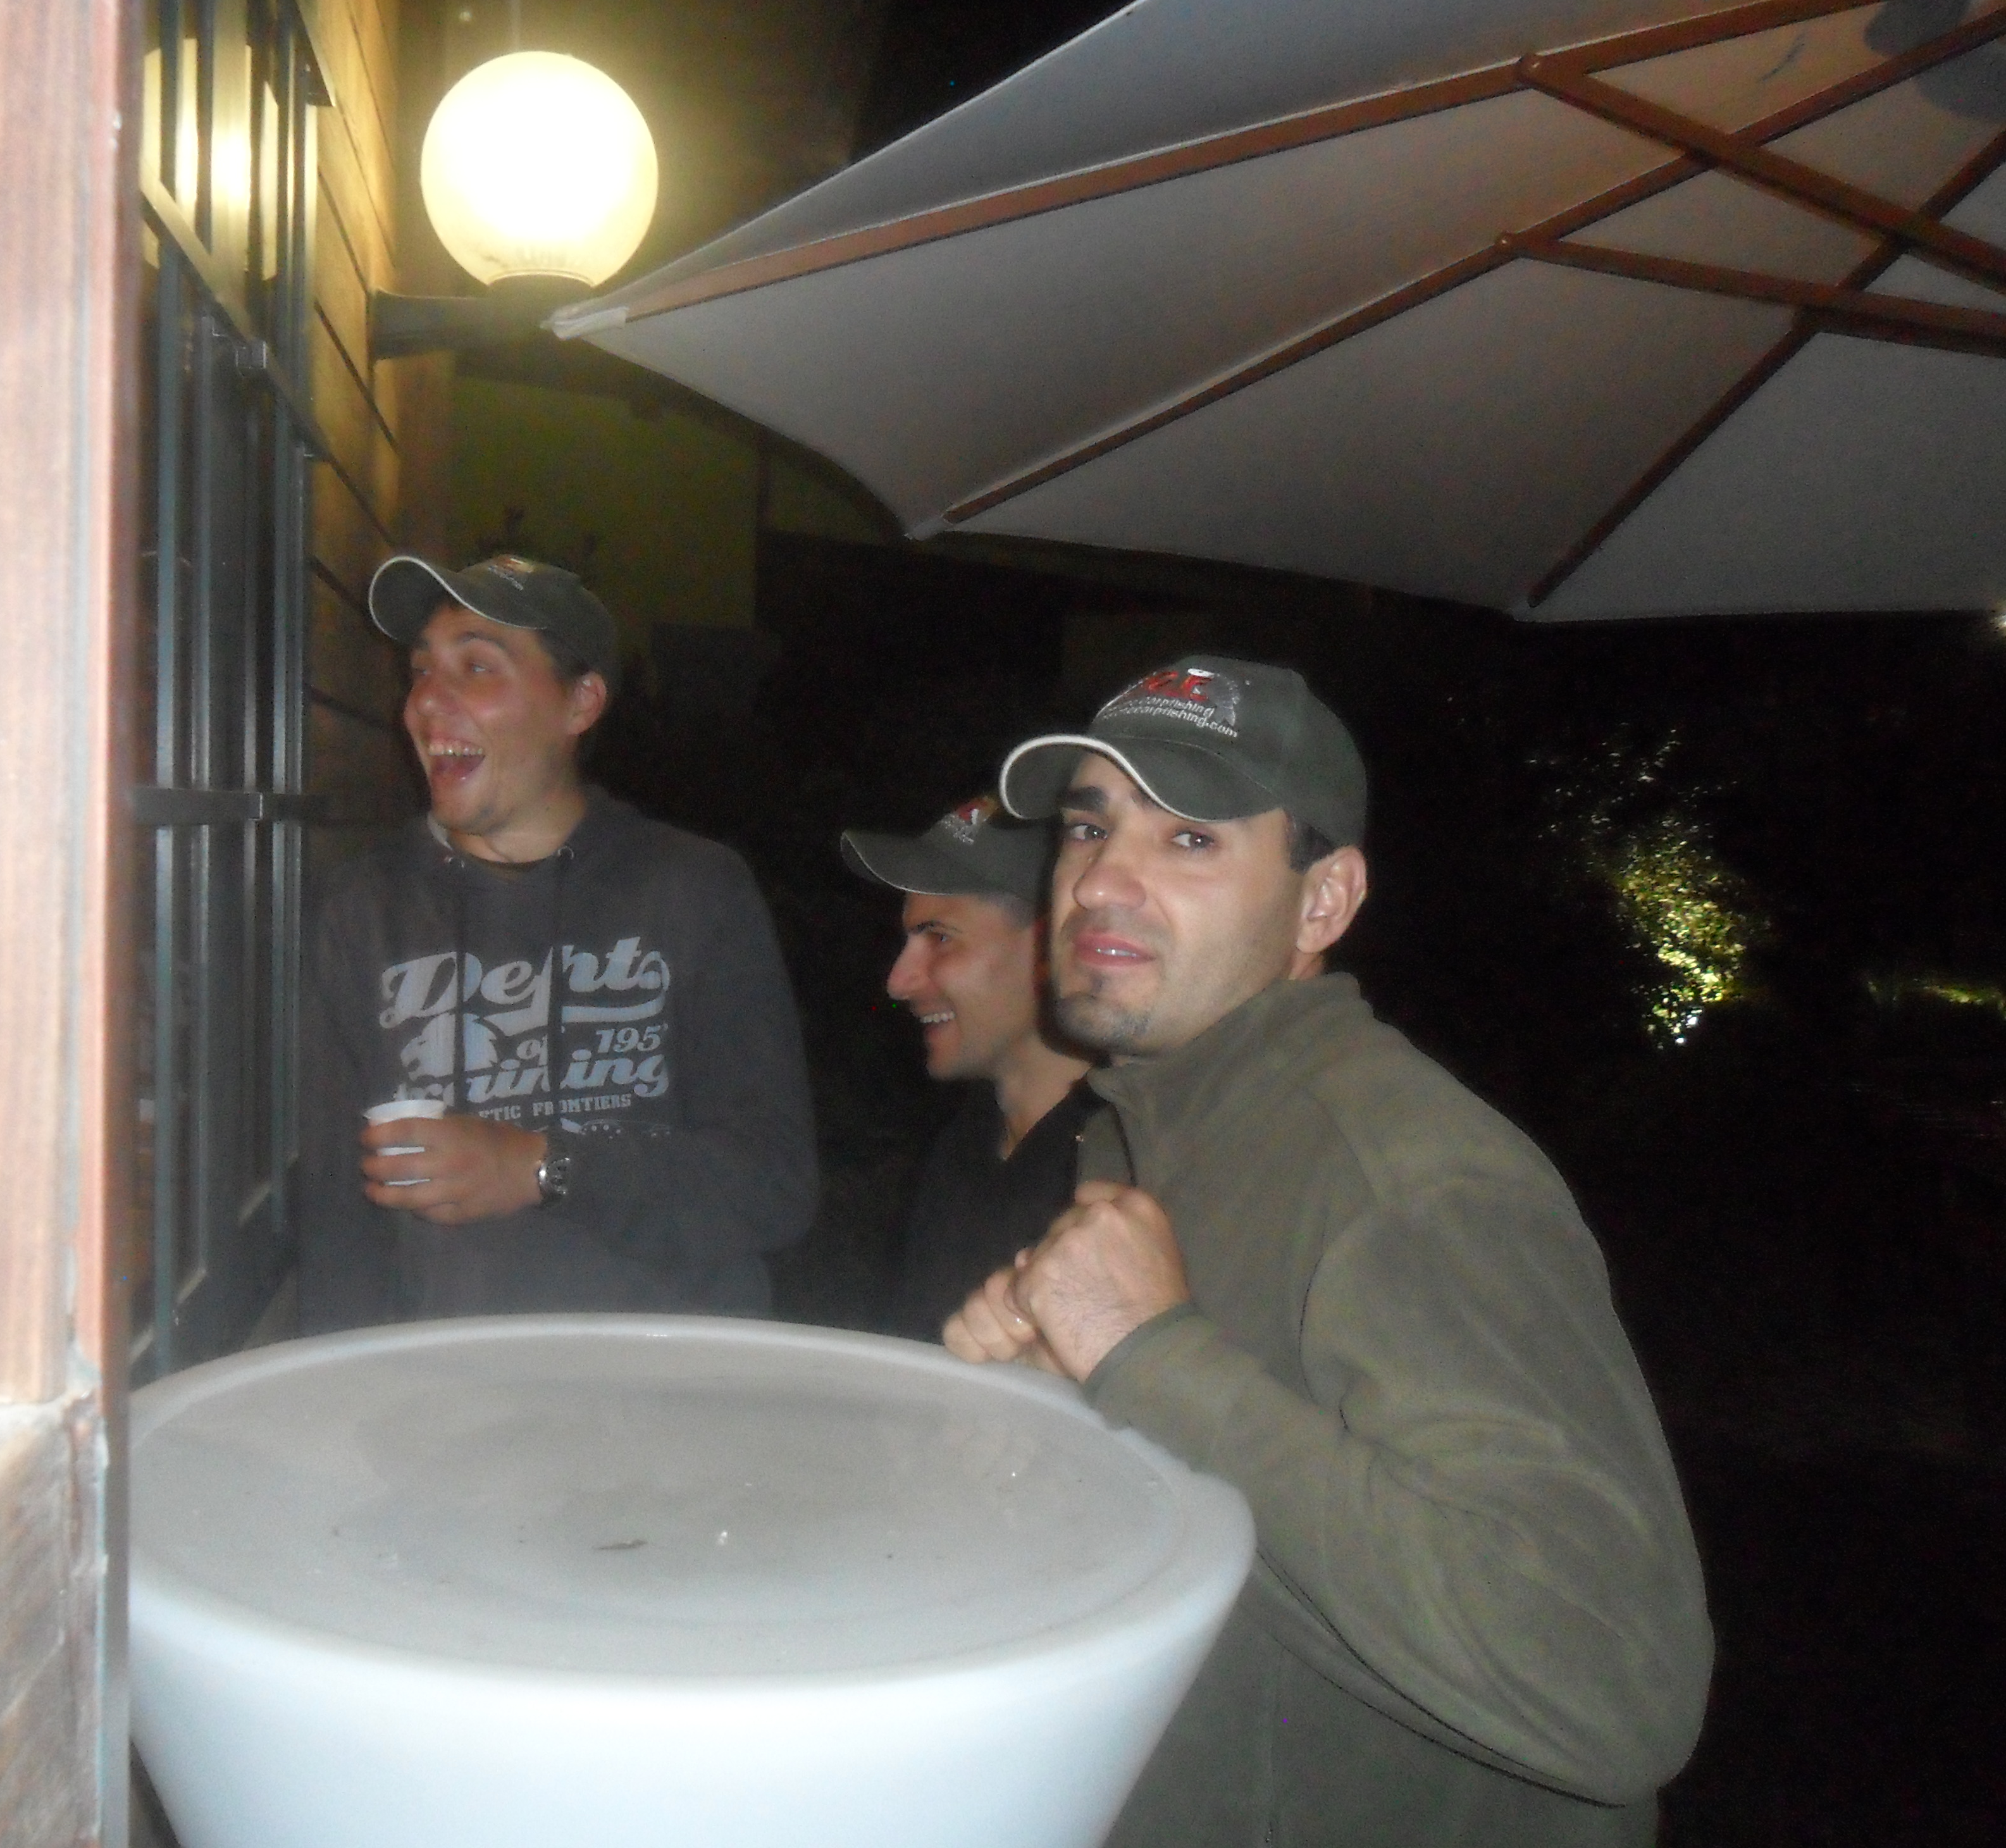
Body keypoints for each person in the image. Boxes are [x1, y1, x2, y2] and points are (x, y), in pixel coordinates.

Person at [944, 657, 1711, 1848]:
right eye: (1089, 828)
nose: (1099, 882)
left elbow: (1612, 1689)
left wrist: (1152, 1357)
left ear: (1323, 903)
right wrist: (1054, 1411)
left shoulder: (1410, 1180)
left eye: (1190, 840)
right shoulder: (1137, 1133)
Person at [295, 552, 817, 1328]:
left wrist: (541, 1167)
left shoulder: (693, 890)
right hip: (458, 1385)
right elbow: (337, 1217)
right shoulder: (361, 910)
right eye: (420, 671)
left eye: (476, 666)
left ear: (580, 703)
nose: (426, 702)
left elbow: (772, 1186)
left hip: (669, 1378)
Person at [839, 794, 1095, 1338]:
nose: (898, 982)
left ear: (1051, 948)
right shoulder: (964, 1146)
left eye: (940, 938)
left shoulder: (1127, 1164)